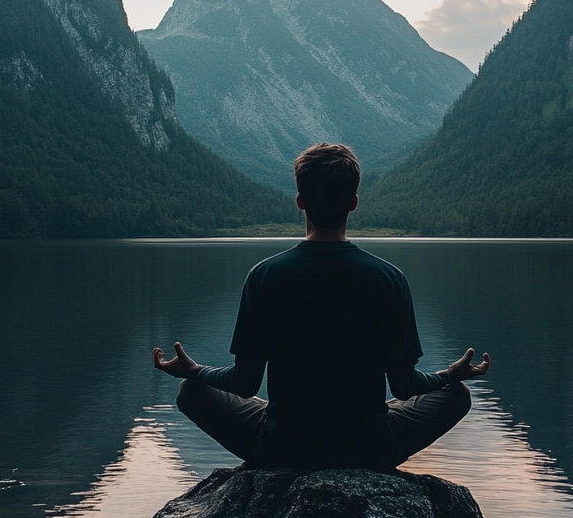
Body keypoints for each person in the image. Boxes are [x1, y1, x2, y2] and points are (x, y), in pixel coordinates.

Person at [153, 143, 490, 470]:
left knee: (191, 391)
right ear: (354, 203)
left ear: (300, 201)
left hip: (282, 446)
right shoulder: (389, 279)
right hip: (370, 448)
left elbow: (244, 383)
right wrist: (449, 375)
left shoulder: (265, 276)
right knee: (456, 395)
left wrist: (195, 371)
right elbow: (405, 386)